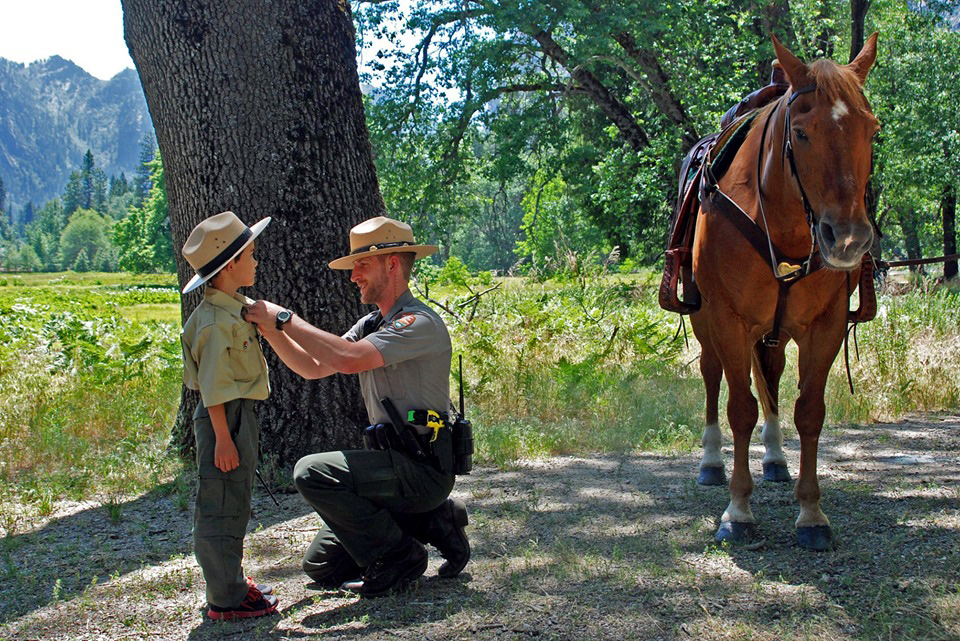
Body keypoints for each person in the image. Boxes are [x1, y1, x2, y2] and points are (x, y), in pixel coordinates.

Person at [244, 215, 470, 598]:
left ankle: (401, 555)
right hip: (390, 468)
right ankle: (433, 521)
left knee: (311, 472)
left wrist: (285, 318)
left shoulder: (418, 322)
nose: (353, 276)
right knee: (321, 566)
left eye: (361, 265)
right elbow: (314, 366)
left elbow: (347, 359)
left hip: (421, 469)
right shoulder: (373, 324)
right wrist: (270, 329)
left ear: (392, 263)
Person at [180, 211, 279, 620]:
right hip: (225, 418)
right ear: (230, 265)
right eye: (251, 255)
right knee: (221, 502)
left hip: (236, 415)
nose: (256, 262)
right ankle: (226, 597)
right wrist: (223, 438)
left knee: (234, 498)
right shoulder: (214, 324)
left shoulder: (233, 308)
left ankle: (232, 581)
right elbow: (214, 388)